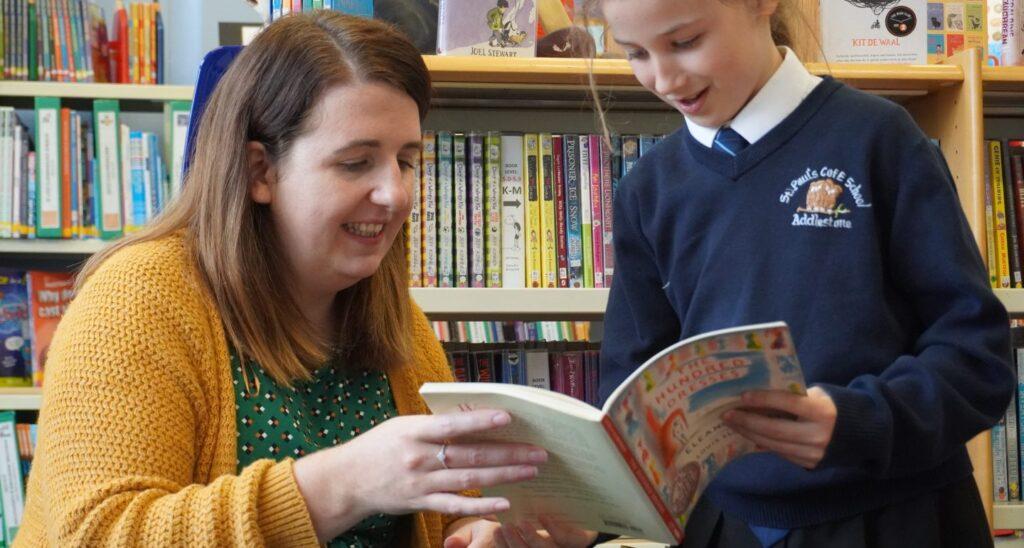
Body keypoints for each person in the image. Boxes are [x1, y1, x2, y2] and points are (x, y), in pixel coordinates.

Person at [15, 12, 550, 547]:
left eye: (406, 161)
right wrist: (345, 484)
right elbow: (95, 535)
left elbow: (451, 513)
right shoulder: (139, 299)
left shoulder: (393, 317)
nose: (396, 195)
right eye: (356, 163)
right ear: (259, 172)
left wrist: (478, 532)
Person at [592, 0, 1015, 546]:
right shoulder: (648, 188)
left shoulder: (879, 137)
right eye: (636, 54)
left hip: (896, 517)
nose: (664, 77)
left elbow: (977, 357)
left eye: (685, 41)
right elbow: (629, 386)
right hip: (724, 526)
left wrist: (856, 421)